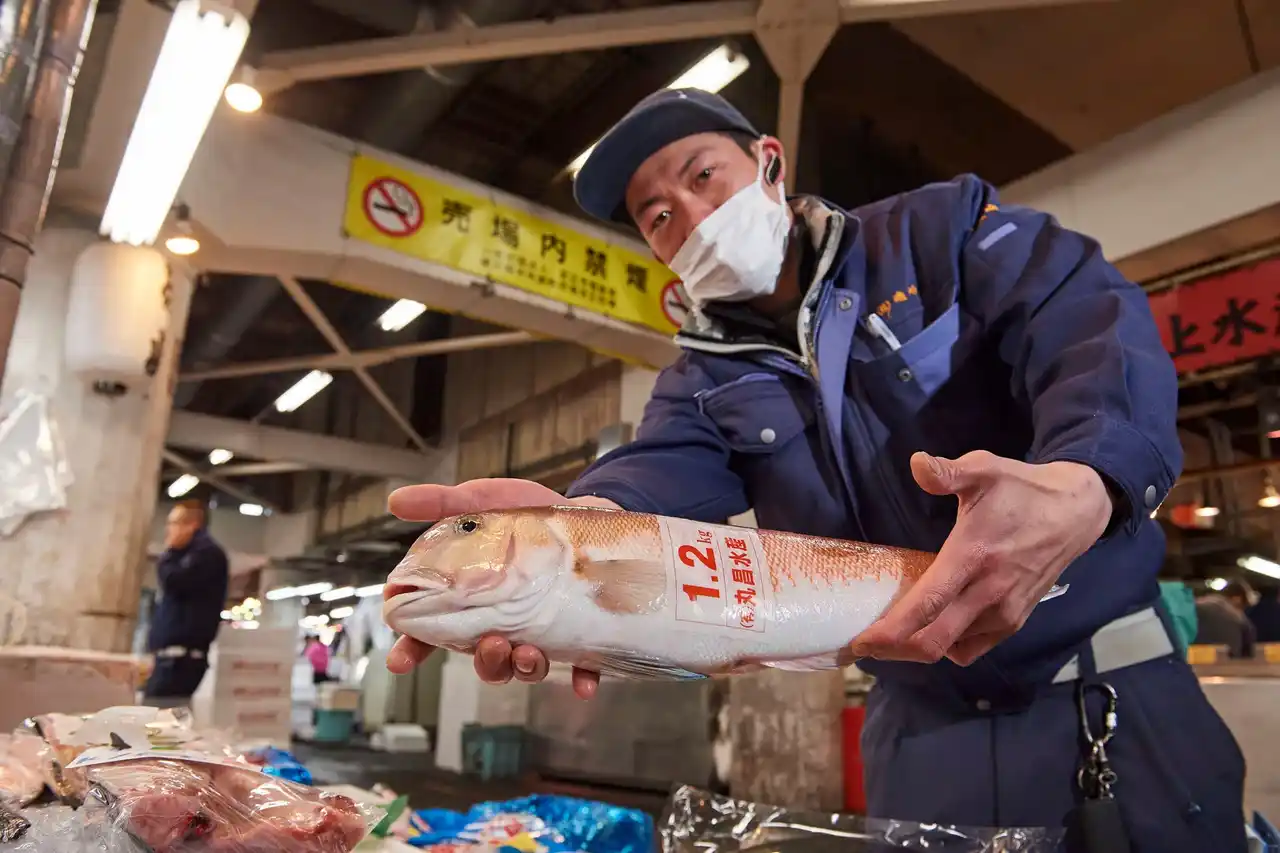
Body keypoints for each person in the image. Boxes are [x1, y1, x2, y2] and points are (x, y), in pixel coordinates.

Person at [384, 89, 1245, 851]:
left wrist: (1088, 477)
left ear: (769, 161)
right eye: (658, 216)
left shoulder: (937, 233)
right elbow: (649, 482)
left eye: (703, 175)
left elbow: (1084, 315)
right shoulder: (697, 384)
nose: (691, 215)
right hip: (919, 725)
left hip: (1107, 689)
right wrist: (577, 534)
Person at [144, 499, 229, 707]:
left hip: (180, 660)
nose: (168, 530)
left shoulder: (205, 555)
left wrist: (169, 553)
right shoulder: (195, 555)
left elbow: (173, 581)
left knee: (154, 717)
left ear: (192, 525)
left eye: (173, 523)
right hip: (175, 659)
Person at [1196, 579, 1257, 659]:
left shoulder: (1197, 604)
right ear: (1237, 599)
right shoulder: (1238, 619)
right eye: (1244, 606)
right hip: (1227, 663)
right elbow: (1247, 652)